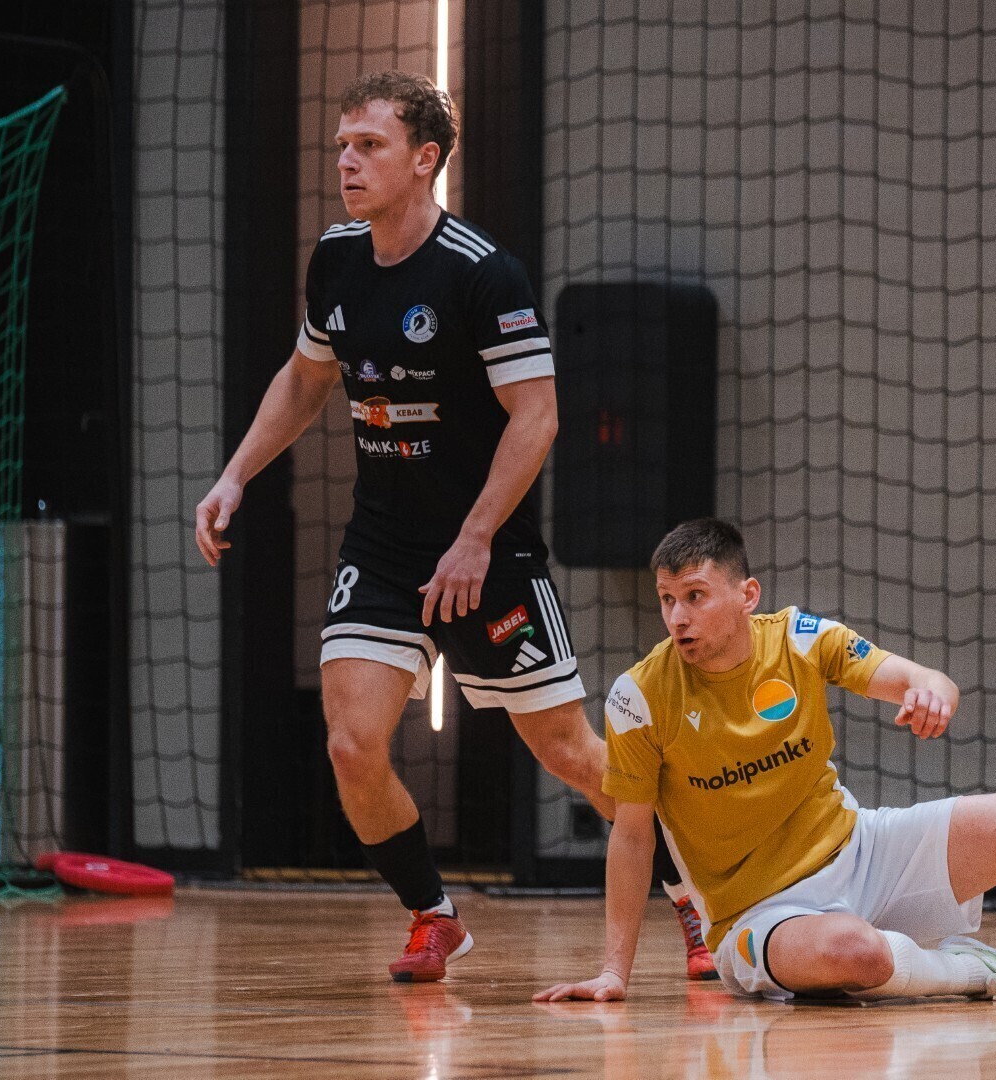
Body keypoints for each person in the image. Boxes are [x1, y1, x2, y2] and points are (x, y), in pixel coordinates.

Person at [193, 70, 711, 982]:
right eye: (343, 145)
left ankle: (695, 899)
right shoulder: (336, 259)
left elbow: (537, 417)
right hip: (384, 548)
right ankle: (434, 916)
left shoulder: (481, 271)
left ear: (425, 159)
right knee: (351, 742)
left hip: (490, 551)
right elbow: (307, 377)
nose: (347, 162)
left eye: (370, 146)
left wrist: (474, 538)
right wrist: (236, 475)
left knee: (573, 755)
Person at [535, 518, 996, 1003]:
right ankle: (980, 971)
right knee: (856, 954)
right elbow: (633, 837)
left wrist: (933, 694)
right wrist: (613, 972)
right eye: (668, 600)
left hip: (863, 850)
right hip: (761, 916)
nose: (678, 618)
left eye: (695, 596)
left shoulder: (801, 639)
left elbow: (920, 678)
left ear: (746, 596)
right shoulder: (640, 697)